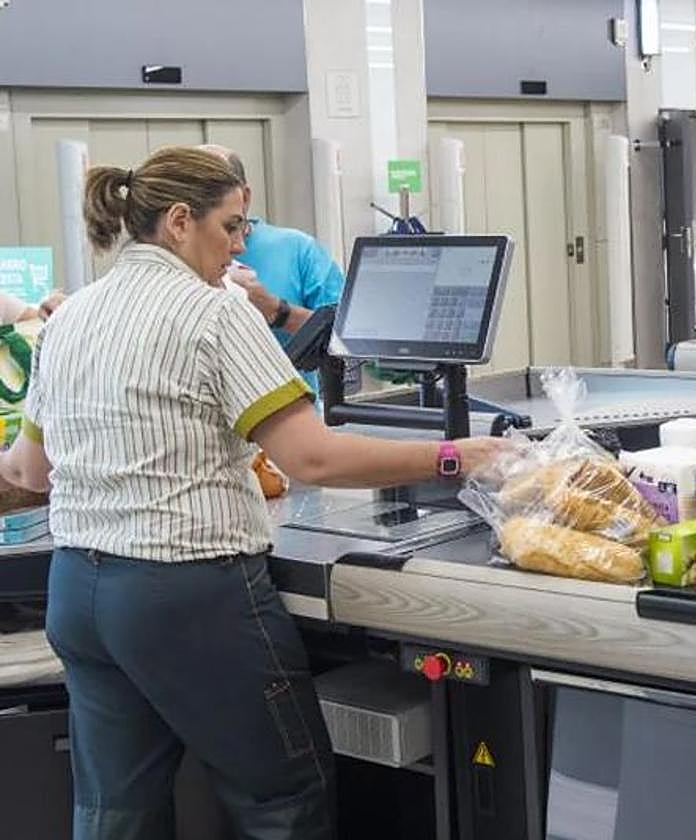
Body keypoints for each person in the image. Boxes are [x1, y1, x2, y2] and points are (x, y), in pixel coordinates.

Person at [0, 145, 502, 839]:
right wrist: (455, 457)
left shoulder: (71, 317)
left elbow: (29, 471)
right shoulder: (215, 314)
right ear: (180, 221)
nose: (241, 246)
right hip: (187, 597)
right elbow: (313, 457)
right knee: (283, 801)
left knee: (116, 812)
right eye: (232, 227)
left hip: (80, 595)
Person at [198, 144, 342, 344]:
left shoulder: (299, 250)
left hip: (287, 375)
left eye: (212, 194)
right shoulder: (172, 258)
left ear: (244, 197)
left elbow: (346, 339)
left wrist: (275, 310)